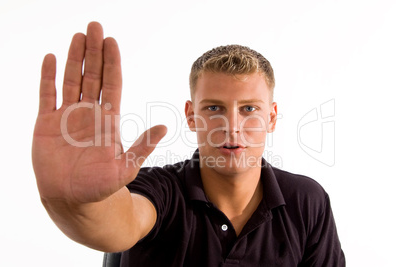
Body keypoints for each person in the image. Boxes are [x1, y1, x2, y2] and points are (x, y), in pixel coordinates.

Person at [32, 22, 345, 266]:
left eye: (249, 109)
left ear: (272, 118)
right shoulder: (160, 190)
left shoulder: (307, 201)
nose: (231, 126)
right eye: (213, 108)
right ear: (191, 116)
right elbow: (118, 222)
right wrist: (75, 204)